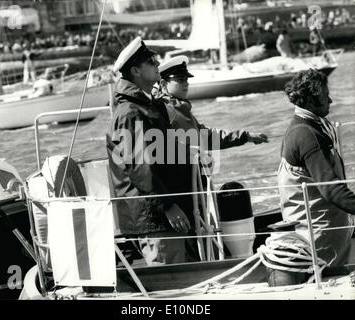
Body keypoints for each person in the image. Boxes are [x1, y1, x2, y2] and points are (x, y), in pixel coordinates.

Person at [154, 56, 269, 260]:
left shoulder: (180, 108)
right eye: (179, 80)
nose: (186, 84)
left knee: (200, 233)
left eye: (186, 79)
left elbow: (205, 136)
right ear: (163, 83)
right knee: (191, 238)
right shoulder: (163, 110)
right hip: (181, 186)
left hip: (193, 184)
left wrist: (244, 136)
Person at [106, 37, 192, 266]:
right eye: (151, 61)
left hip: (163, 210)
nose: (157, 64)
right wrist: (168, 205)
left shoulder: (145, 105)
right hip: (154, 215)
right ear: (135, 70)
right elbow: (139, 166)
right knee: (172, 284)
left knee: (182, 276)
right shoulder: (130, 112)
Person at [272, 69, 355, 286]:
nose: (330, 99)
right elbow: (332, 190)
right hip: (320, 238)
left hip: (324, 230)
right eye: (324, 95)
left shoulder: (304, 127)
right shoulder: (307, 134)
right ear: (310, 99)